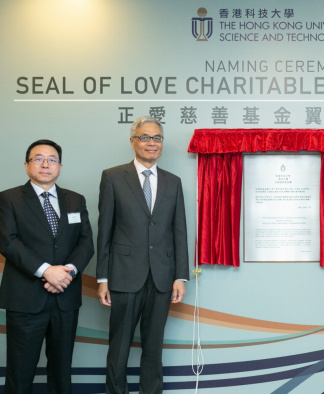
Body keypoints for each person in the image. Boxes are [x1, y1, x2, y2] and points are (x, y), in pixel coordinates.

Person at [97, 116, 189, 394]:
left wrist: (180, 276)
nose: (152, 143)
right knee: (119, 349)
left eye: (157, 138)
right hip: (124, 276)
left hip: (162, 279)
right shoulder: (112, 177)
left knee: (153, 348)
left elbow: (179, 231)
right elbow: (105, 230)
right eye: (146, 137)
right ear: (133, 141)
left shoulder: (173, 182)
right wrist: (102, 277)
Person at [0, 139, 94, 393]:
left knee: (62, 372)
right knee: (20, 372)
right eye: (38, 159)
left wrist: (69, 272)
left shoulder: (75, 200)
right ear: (26, 165)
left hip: (66, 297)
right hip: (25, 298)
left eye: (52, 159)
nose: (45, 164)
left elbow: (86, 242)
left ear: (60, 166)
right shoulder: (8, 199)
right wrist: (46, 270)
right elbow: (7, 241)